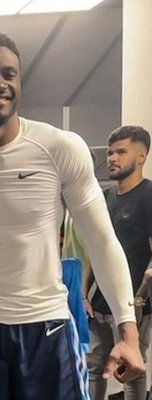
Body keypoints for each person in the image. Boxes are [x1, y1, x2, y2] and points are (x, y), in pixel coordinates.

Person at [0, 33, 144, 400]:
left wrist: (129, 331)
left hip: (47, 327)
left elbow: (103, 242)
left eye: (9, 74)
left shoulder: (60, 148)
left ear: (20, 84)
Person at [85, 125, 152, 400]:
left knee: (130, 370)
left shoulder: (149, 196)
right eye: (110, 152)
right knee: (94, 368)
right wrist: (85, 293)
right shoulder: (106, 197)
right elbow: (98, 249)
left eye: (121, 152)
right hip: (99, 302)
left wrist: (139, 300)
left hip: (133, 306)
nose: (112, 158)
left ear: (141, 156)